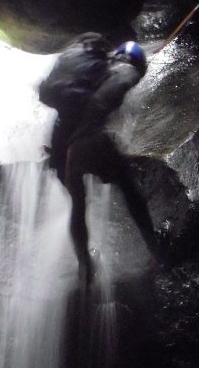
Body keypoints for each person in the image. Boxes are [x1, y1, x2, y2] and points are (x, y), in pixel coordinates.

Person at [38, 34, 161, 283]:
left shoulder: (82, 67)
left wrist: (62, 149)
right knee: (128, 188)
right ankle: (158, 250)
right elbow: (101, 101)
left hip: (61, 142)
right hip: (85, 139)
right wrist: (85, 137)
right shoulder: (125, 70)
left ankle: (85, 267)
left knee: (78, 203)